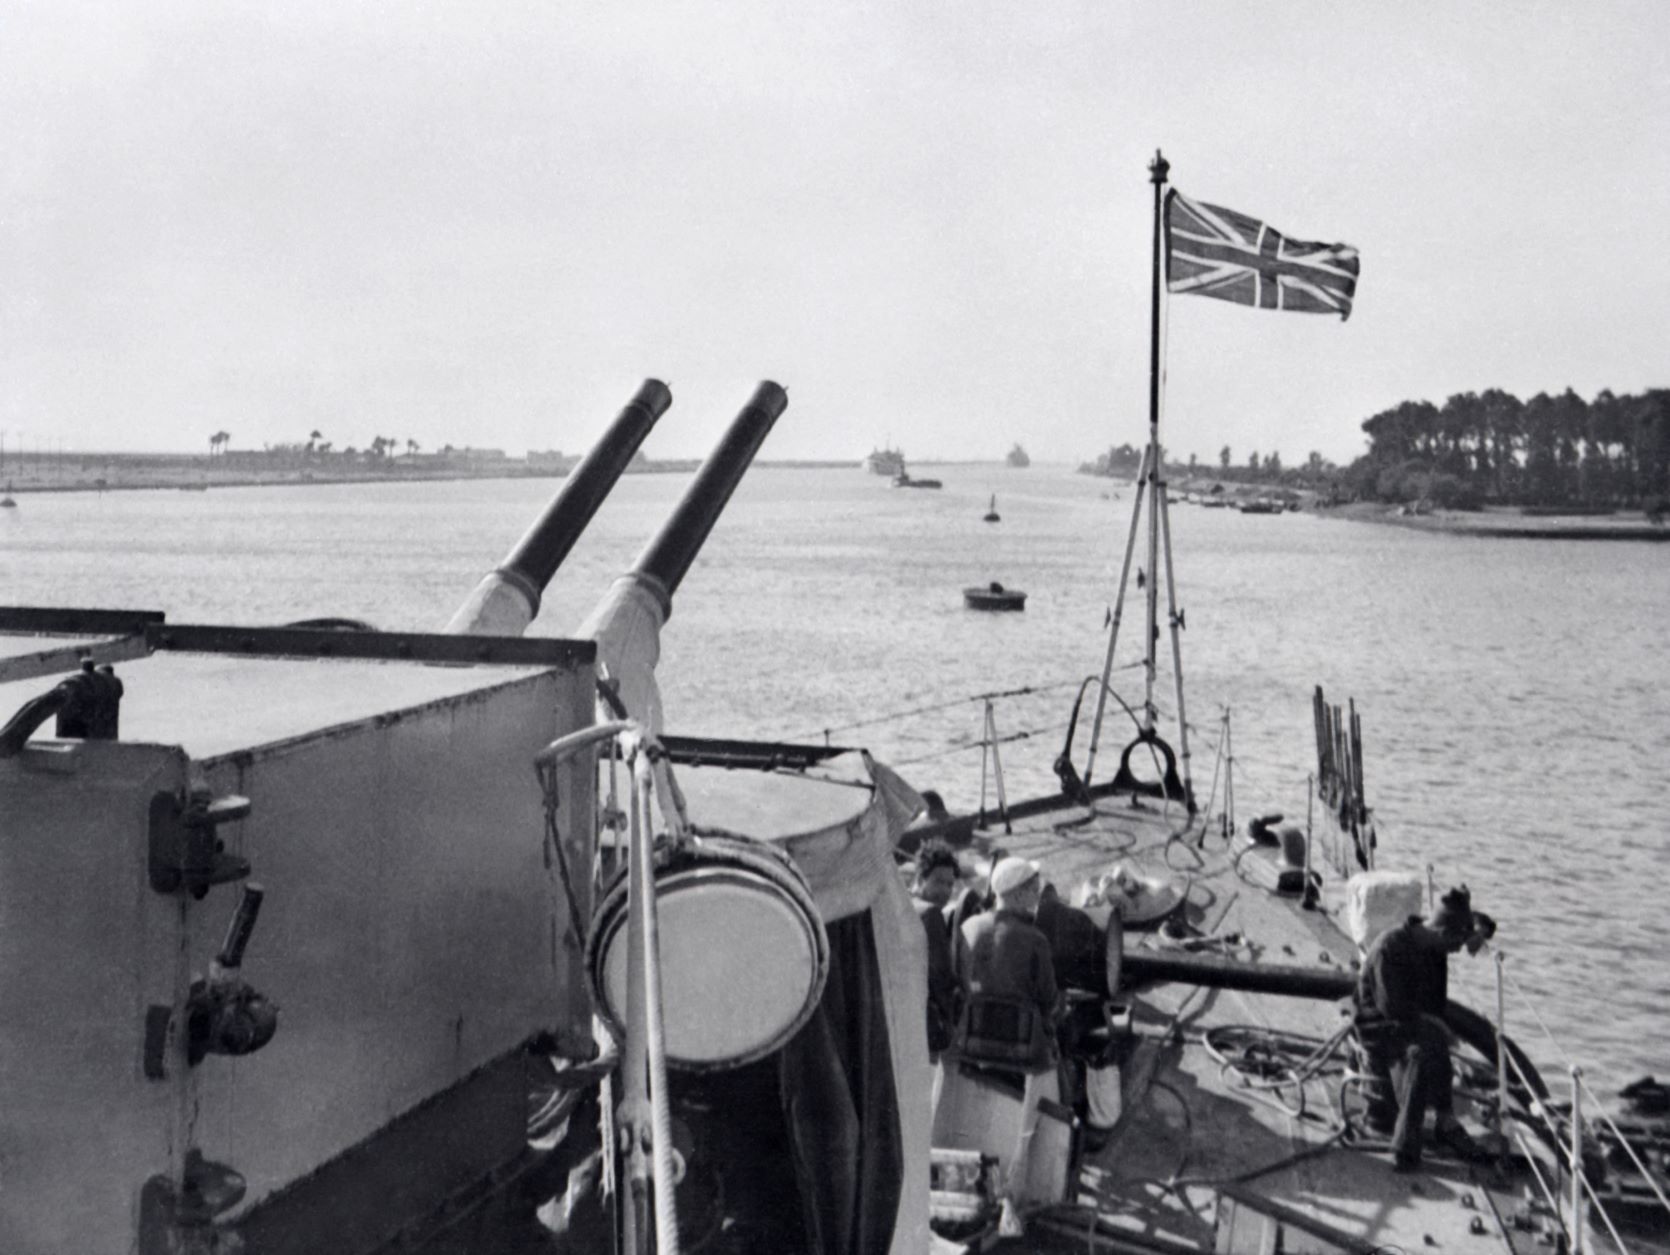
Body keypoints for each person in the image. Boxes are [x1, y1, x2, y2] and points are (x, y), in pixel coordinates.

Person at [953, 856, 1063, 1234]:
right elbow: (1048, 999)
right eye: (1033, 887)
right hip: (1022, 1051)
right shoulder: (1035, 940)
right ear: (1017, 894)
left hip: (970, 1045)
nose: (1037, 893)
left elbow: (958, 981)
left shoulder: (967, 927)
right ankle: (1026, 1192)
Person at [1353, 885, 1490, 1171]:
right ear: (1443, 934)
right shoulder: (1391, 948)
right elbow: (1394, 1012)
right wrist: (1436, 1027)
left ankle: (1445, 1120)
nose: (1455, 951)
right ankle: (1405, 1149)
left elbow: (1483, 921)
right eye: (1455, 945)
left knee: (1432, 1041)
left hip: (1412, 1025)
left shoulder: (1432, 946)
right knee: (1420, 1054)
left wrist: (1477, 930)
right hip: (1380, 1029)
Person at [911, 840, 961, 1113]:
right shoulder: (931, 915)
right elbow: (941, 976)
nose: (945, 891)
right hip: (926, 1024)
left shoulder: (906, 904)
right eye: (940, 882)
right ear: (921, 878)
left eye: (950, 885)